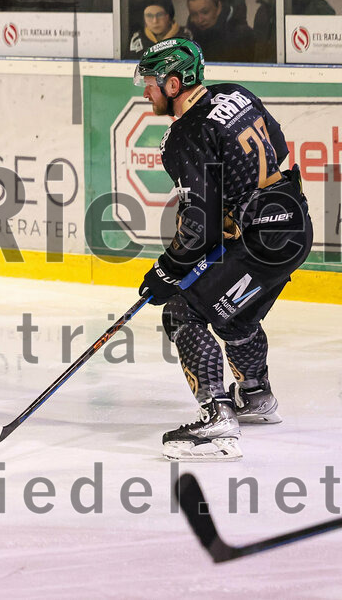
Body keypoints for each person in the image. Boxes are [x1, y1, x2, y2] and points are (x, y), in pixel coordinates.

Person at [133, 38, 312, 461]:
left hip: (262, 241)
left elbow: (201, 222)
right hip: (293, 225)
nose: (146, 91)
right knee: (235, 317)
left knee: (182, 311)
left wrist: (167, 271)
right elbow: (280, 148)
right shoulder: (235, 93)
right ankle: (256, 396)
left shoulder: (184, 134)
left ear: (174, 84)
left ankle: (217, 421)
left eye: (152, 83)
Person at [186, 0, 257, 62]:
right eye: (194, 14)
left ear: (218, 8)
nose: (200, 20)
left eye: (205, 12)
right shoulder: (189, 40)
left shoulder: (242, 36)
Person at [127, 0, 193, 57]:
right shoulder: (137, 40)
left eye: (160, 15)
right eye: (149, 15)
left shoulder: (187, 38)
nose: (155, 21)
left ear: (169, 16)